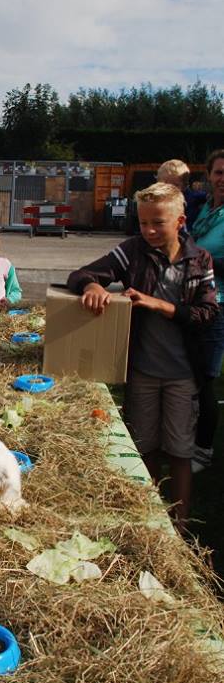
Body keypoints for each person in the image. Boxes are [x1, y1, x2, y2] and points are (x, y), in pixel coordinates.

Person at [67, 182, 217, 531]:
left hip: (183, 374)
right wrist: (92, 285)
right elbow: (82, 274)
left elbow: (208, 313)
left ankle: (179, 524)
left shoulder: (199, 259)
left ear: (180, 221)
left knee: (180, 451)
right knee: (144, 448)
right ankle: (149, 519)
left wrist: (159, 305)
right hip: (142, 372)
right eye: (143, 222)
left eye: (158, 223)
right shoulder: (133, 251)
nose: (148, 230)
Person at [190, 149, 224, 472]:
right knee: (191, 372)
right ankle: (190, 439)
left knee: (206, 378)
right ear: (210, 176)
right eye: (219, 173)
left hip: (219, 305)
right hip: (195, 301)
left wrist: (205, 263)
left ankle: (203, 450)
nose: (223, 180)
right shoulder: (206, 210)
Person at [156, 158, 207, 231]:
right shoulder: (157, 199)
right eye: (164, 184)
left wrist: (204, 187)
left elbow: (209, 197)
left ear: (184, 186)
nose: (168, 189)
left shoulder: (191, 197)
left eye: (174, 185)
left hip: (189, 234)